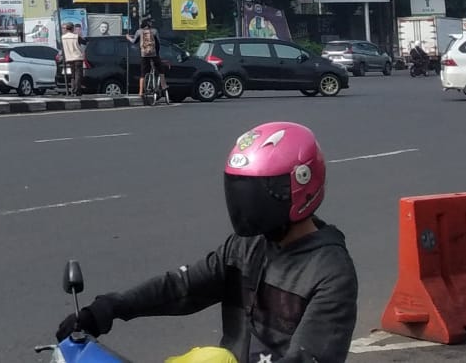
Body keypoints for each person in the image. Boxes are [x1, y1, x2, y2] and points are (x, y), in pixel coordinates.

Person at [57, 121, 358, 363]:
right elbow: (182, 287)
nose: (245, 206)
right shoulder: (247, 246)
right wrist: (107, 309)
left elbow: (307, 357)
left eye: (256, 194)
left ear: (299, 188)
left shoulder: (330, 273)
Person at [136, 17, 167, 104]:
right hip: (153, 54)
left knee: (143, 74)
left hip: (144, 55)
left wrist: (127, 37)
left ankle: (141, 92)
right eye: (150, 22)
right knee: (160, 69)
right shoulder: (154, 31)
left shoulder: (139, 31)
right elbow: (158, 43)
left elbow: (134, 41)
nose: (152, 23)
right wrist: (157, 54)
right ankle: (164, 85)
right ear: (148, 23)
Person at [60, 22, 85, 95]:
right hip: (77, 57)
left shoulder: (63, 37)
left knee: (73, 75)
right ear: (73, 28)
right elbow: (84, 42)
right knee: (78, 74)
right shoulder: (76, 36)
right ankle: (77, 90)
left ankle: (73, 90)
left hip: (69, 58)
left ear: (67, 29)